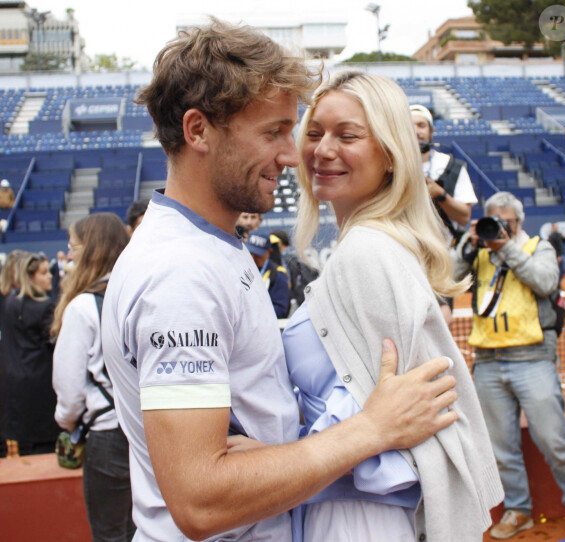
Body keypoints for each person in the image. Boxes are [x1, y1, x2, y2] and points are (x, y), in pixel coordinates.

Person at [101, 19, 459, 542]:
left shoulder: (210, 248)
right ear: (197, 130)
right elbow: (200, 500)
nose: (293, 156)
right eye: (273, 133)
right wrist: (371, 429)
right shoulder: (182, 275)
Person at [283, 70, 503, 542]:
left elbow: (393, 422)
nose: (322, 150)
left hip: (361, 515)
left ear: (390, 155)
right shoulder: (371, 246)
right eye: (315, 132)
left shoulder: (367, 251)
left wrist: (264, 454)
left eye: (348, 135)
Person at [454, 191, 565, 539]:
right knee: (501, 449)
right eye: (493, 222)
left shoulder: (536, 246)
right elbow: (448, 278)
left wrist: (505, 247)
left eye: (505, 223)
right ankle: (518, 510)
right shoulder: (479, 251)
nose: (499, 229)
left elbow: (545, 282)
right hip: (488, 362)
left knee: (555, 441)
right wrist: (468, 244)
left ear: (518, 223)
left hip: (532, 358)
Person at [52, 213, 135, 542]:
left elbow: (69, 393)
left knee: (110, 534)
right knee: (145, 529)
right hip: (148, 429)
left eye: (73, 246)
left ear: (90, 250)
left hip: (107, 434)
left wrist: (67, 423)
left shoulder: (83, 307)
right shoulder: (137, 294)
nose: (69, 254)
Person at [411, 103, 478, 324]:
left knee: (441, 322)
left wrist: (440, 194)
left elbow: (464, 217)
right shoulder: (391, 166)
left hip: (441, 259)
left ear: (430, 131)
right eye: (410, 125)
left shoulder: (452, 166)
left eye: (421, 125)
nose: (417, 130)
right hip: (406, 256)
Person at [0, 253, 59, 456]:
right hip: (41, 393)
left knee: (25, 450)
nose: (50, 277)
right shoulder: (45, 308)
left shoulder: (8, 304)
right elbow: (58, 348)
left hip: (15, 391)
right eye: (43, 273)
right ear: (30, 276)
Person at [270, 228, 319, 314]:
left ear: (282, 244)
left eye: (275, 244)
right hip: (304, 302)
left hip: (293, 304)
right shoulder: (298, 257)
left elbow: (288, 283)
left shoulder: (284, 259)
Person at [247, 230, 291, 318]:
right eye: (250, 252)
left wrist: (251, 310)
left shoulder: (279, 275)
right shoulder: (240, 269)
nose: (253, 257)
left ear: (269, 252)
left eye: (257, 254)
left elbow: (280, 310)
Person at [548, 221, 565, 286]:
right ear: (552, 227)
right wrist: (557, 256)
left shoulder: (559, 235)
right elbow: (552, 247)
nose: (557, 228)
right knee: (557, 271)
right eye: (555, 227)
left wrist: (564, 238)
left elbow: (563, 242)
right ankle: (557, 284)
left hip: (562, 255)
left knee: (564, 269)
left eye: (557, 227)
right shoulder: (551, 237)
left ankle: (558, 283)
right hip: (556, 256)